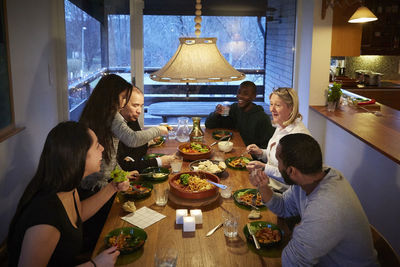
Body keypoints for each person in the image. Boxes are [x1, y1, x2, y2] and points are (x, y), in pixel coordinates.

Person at [7, 121, 130, 267]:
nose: (102, 148)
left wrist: (112, 188)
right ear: (79, 156)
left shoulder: (67, 189)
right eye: (97, 145)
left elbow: (77, 213)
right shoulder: (45, 217)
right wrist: (94, 265)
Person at [249, 133, 378, 266]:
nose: (277, 166)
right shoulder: (313, 176)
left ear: (292, 171)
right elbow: (284, 207)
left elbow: (292, 262)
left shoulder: (325, 208)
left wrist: (298, 232)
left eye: (278, 161)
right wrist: (263, 186)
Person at [79, 74, 169, 192]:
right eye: (123, 97)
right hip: (97, 186)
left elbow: (111, 155)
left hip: (99, 181)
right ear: (112, 96)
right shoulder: (112, 115)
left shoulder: (96, 113)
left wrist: (121, 173)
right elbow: (132, 139)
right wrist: (158, 130)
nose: (125, 101)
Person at [246, 87, 311, 192]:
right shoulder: (281, 125)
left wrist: (264, 168)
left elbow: (293, 177)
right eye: (271, 104)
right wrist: (261, 153)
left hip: (284, 195)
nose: (272, 109)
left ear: (291, 108)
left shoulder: (298, 136)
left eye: (277, 105)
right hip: (267, 184)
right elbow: (278, 157)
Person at [117, 87, 175, 172]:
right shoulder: (114, 127)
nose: (139, 111)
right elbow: (124, 167)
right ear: (121, 104)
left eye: (141, 106)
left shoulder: (131, 118)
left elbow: (137, 149)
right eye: (135, 105)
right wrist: (159, 162)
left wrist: (147, 142)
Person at [205, 81, 274, 148]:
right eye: (239, 92)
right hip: (233, 147)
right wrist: (216, 113)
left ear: (254, 96)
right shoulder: (234, 108)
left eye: (245, 94)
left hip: (250, 155)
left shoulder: (262, 118)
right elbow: (209, 125)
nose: (240, 96)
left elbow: (267, 147)